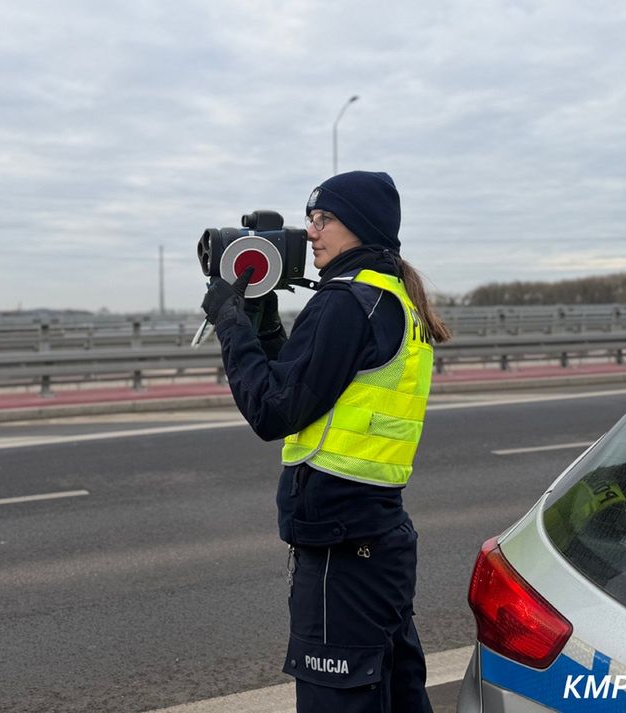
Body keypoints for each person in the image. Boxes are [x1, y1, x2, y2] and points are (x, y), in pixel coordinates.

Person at [201, 170, 452, 713]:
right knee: (398, 696)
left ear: (359, 226)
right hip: (375, 541)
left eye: (323, 219)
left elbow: (272, 409)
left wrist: (229, 320)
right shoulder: (385, 296)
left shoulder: (344, 302)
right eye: (310, 218)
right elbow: (309, 386)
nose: (310, 232)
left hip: (345, 551)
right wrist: (264, 321)